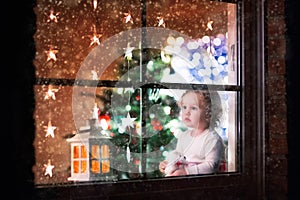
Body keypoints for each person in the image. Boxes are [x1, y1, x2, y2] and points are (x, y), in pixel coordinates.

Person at [159, 90, 226, 176]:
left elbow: (211, 166)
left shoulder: (212, 139)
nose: (187, 112)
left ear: (209, 113)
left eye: (193, 108)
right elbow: (178, 154)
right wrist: (167, 163)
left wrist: (186, 172)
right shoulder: (184, 136)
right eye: (184, 107)